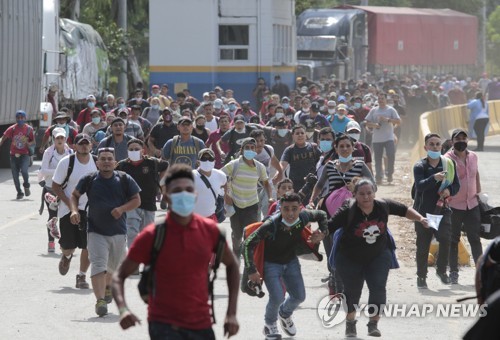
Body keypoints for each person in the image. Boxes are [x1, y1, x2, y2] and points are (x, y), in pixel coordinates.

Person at [111, 164, 240, 339]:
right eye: (177, 190)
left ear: (195, 195)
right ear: (166, 196)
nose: (184, 194)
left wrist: (231, 313)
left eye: (189, 189)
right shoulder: (152, 235)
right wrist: (123, 309)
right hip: (163, 325)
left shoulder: (211, 231)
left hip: (202, 324)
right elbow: (119, 276)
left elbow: (232, 265)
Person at [328, 178, 429, 337]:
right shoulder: (348, 209)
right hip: (349, 256)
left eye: (369, 193)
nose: (366, 197)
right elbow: (330, 225)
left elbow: (404, 210)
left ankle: (373, 324)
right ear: (355, 195)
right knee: (352, 292)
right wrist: (318, 235)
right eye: (361, 194)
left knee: (378, 287)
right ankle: (350, 323)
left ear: (374, 193)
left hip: (378, 254)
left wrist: (420, 218)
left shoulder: (383, 205)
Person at [243, 193, 328, 338]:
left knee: (299, 296)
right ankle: (270, 325)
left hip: (291, 262)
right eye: (286, 209)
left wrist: (323, 232)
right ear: (280, 209)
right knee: (277, 297)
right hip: (271, 264)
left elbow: (321, 214)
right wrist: (252, 269)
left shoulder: (303, 217)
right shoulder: (271, 225)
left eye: (294, 209)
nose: (290, 213)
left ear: (300, 208)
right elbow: (248, 243)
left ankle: (285, 314)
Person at [71, 147, 141, 316]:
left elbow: (137, 200)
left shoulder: (125, 179)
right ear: (97, 163)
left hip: (118, 232)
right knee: (98, 264)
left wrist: (122, 209)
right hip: (95, 230)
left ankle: (108, 287)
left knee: (113, 267)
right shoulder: (89, 179)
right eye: (103, 159)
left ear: (115, 163)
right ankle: (100, 300)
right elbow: (74, 195)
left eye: (110, 159)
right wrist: (74, 211)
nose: (106, 162)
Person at [413, 133, 460, 288]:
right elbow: (419, 186)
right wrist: (434, 178)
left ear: (442, 146)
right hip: (424, 212)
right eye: (431, 144)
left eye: (437, 144)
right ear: (426, 147)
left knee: (446, 240)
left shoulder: (449, 164)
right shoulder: (420, 166)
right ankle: (421, 276)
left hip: (442, 210)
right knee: (423, 245)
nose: (434, 147)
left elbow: (456, 185)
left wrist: (449, 191)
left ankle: (441, 271)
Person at [51, 133, 97, 289]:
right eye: (81, 143)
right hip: (68, 208)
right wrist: (72, 207)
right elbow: (56, 186)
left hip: (90, 209)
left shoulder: (97, 162)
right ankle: (66, 255)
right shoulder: (67, 163)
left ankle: (81, 276)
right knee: (69, 246)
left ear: (91, 145)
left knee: (88, 245)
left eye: (87, 143)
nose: (84, 146)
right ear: (74, 146)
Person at [222, 138, 274, 256]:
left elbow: (266, 182)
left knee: (251, 234)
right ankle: (236, 254)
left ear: (256, 150)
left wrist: (270, 197)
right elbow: (220, 177)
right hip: (235, 205)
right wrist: (226, 195)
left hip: (252, 205)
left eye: (252, 148)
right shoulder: (234, 164)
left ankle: (249, 258)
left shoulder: (259, 167)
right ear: (242, 150)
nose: (250, 150)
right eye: (247, 148)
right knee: (237, 234)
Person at [444, 129, 483, 284]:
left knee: (475, 239)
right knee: (453, 240)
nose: (461, 141)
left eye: (463, 138)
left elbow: (476, 174)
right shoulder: (446, 159)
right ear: (452, 141)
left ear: (467, 140)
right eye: (457, 138)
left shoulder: (473, 156)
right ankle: (453, 272)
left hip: (472, 204)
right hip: (454, 206)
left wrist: (479, 192)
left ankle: (481, 272)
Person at [117, 139, 169, 247]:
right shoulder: (122, 165)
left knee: (148, 234)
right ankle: (133, 257)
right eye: (131, 149)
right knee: (132, 232)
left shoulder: (152, 162)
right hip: (130, 204)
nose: (134, 151)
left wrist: (159, 182)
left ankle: (146, 257)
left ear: (142, 151)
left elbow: (166, 165)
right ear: (127, 151)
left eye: (137, 149)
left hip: (148, 203)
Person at [39, 127, 73, 252]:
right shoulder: (48, 152)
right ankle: (51, 242)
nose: (59, 140)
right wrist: (60, 171)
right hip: (50, 188)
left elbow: (72, 169)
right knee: (53, 217)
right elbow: (43, 170)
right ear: (53, 139)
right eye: (57, 138)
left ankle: (63, 242)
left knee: (65, 217)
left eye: (62, 138)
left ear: (65, 139)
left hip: (65, 190)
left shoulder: (70, 152)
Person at [364, 92, 401, 184]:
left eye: (382, 99)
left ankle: (389, 174)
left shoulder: (391, 110)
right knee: (378, 158)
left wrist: (387, 120)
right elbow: (366, 122)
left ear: (386, 100)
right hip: (377, 139)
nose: (380, 100)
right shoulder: (374, 110)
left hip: (389, 138)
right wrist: (374, 125)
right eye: (379, 99)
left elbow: (398, 121)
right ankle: (379, 177)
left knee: (390, 155)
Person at [280, 125, 321, 203]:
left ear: (305, 135)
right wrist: (278, 173)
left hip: (312, 185)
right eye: (297, 133)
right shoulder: (289, 150)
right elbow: (282, 164)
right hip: (296, 187)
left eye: (302, 133)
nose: (300, 135)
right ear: (293, 136)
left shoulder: (313, 147)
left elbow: (322, 162)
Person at [0, 110, 35, 199]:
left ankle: (26, 185)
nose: (20, 119)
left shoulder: (29, 129)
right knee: (15, 175)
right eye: (18, 118)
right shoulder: (12, 129)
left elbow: (33, 141)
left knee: (24, 171)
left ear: (25, 118)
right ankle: (19, 192)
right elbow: (3, 138)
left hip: (25, 155)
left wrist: (28, 144)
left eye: (22, 118)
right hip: (14, 155)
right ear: (16, 119)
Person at [250, 129, 283, 218]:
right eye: (256, 141)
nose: (259, 143)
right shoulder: (248, 153)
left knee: (269, 210)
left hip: (267, 184)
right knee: (255, 214)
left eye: (261, 140)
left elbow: (274, 161)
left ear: (265, 140)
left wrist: (280, 172)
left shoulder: (268, 149)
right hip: (252, 187)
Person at [192, 148, 227, 221]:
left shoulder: (221, 175)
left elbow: (225, 188)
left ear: (214, 161)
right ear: (198, 162)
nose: (207, 161)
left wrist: (224, 205)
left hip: (211, 218)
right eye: (204, 159)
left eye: (210, 159)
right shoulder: (190, 175)